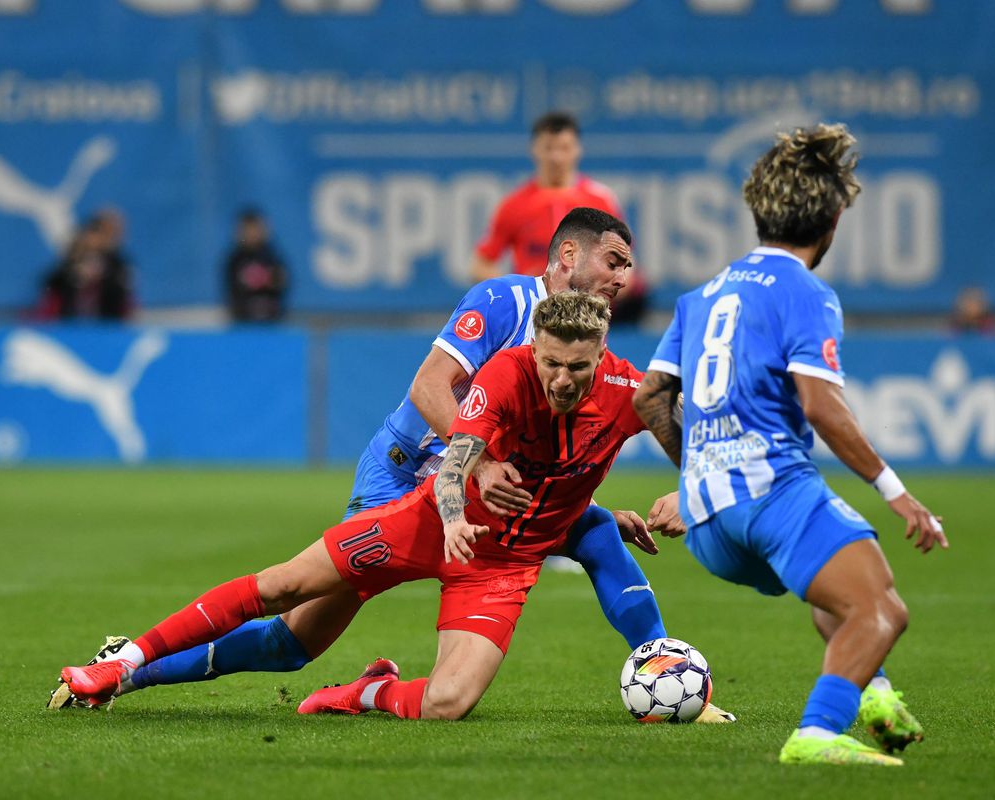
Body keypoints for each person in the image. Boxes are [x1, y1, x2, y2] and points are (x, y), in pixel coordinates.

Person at [49, 209, 734, 720]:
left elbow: (656, 424)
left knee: (595, 534)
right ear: (565, 256)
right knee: (294, 638)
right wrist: (481, 466)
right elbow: (430, 390)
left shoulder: (614, 376)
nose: (624, 276)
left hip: (497, 506)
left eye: (626, 264)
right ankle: (131, 666)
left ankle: (669, 676)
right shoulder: (503, 308)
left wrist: (649, 496)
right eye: (613, 261)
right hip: (411, 480)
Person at [633, 124, 947, 766]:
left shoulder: (703, 296)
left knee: (839, 592)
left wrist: (696, 478)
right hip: (772, 492)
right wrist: (898, 492)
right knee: (882, 608)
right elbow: (820, 405)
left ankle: (876, 695)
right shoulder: (805, 291)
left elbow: (649, 398)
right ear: (832, 220)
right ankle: (818, 733)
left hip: (711, 528)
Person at [472, 111, 647, 325]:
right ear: (535, 150)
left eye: (564, 148)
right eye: (548, 148)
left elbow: (626, 265)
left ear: (577, 150)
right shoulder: (514, 205)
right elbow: (481, 265)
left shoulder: (601, 200)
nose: (556, 157)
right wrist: (520, 292)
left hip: (586, 321)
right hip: (532, 319)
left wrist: (591, 288)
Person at [37, 218, 134, 321]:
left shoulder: (117, 268)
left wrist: (104, 278)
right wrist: (72, 277)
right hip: (68, 326)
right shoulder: (65, 272)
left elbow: (125, 303)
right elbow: (48, 287)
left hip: (107, 326)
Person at [223, 207, 289, 323]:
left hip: (272, 322)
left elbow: (282, 285)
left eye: (255, 228)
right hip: (243, 324)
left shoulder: (272, 257)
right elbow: (232, 293)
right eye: (248, 229)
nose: (252, 233)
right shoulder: (235, 260)